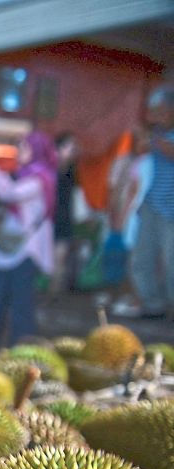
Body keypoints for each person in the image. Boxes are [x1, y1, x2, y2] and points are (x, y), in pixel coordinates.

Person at [0, 131, 57, 350]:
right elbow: (6, 191)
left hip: (27, 249)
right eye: (19, 147)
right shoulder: (24, 174)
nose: (20, 153)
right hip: (10, 248)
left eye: (25, 148)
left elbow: (9, 194)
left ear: (37, 150)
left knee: (21, 304)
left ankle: (21, 350)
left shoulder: (40, 179)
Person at [118, 86, 174, 320]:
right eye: (154, 111)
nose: (156, 116)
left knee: (172, 263)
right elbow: (140, 149)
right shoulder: (157, 135)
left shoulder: (159, 138)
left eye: (161, 111)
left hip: (171, 209)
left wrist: (151, 137)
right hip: (150, 206)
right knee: (142, 258)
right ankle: (152, 304)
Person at [107, 126, 154, 314]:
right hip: (136, 216)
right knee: (133, 260)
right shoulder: (135, 162)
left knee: (138, 261)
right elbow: (127, 193)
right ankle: (133, 298)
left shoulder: (145, 162)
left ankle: (138, 299)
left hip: (140, 216)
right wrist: (120, 215)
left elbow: (133, 193)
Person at [52, 131, 79, 290]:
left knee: (59, 259)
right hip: (49, 218)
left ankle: (53, 294)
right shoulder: (49, 168)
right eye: (70, 146)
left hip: (64, 219)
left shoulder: (71, 170)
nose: (74, 149)